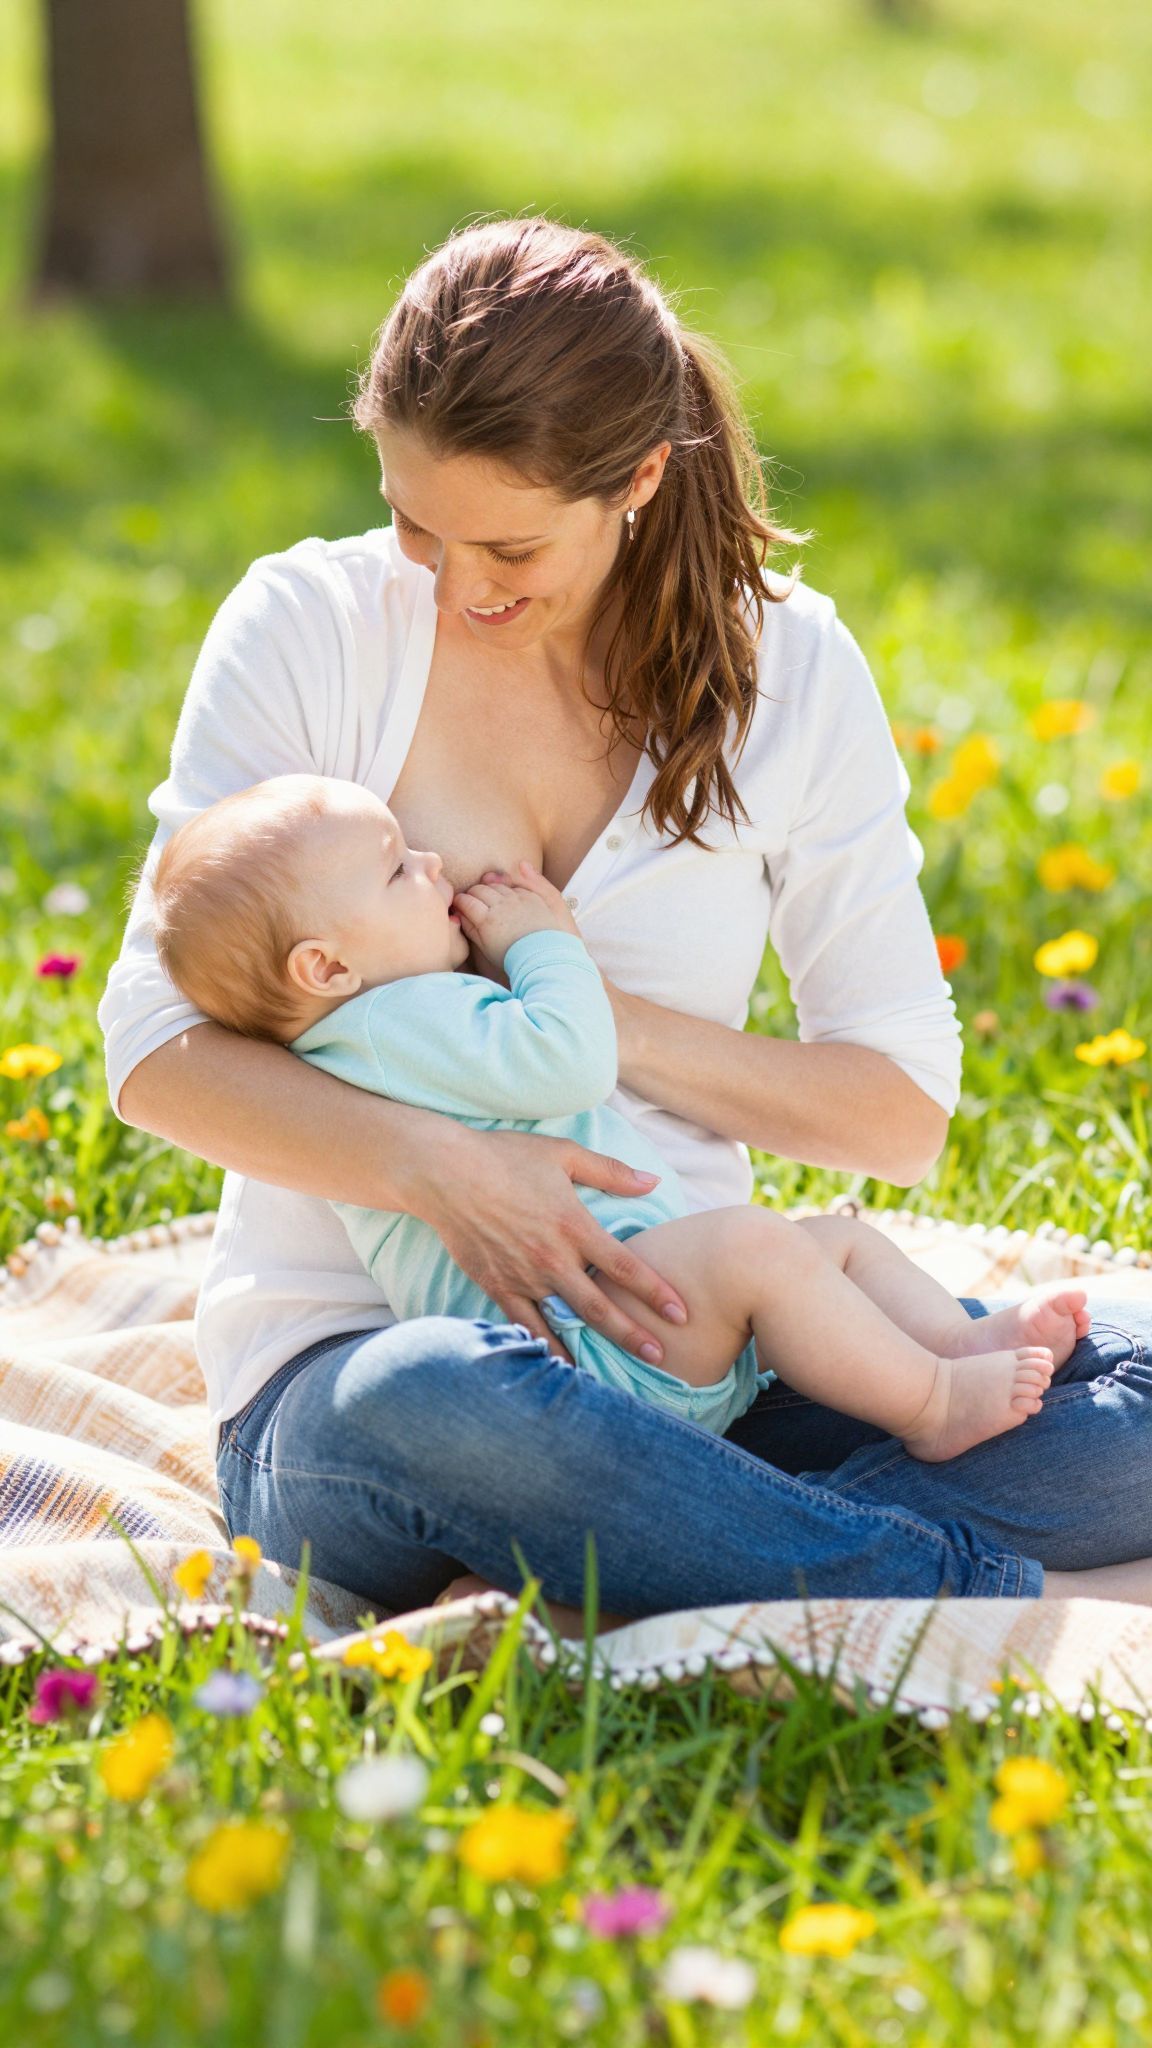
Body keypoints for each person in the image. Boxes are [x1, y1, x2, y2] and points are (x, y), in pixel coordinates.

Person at [99, 217, 1152, 1622]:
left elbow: (898, 1114)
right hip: (370, 1375)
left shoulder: (789, 668)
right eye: (415, 522)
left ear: (642, 476)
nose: (453, 584)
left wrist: (589, 1015)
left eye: (509, 544)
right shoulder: (311, 625)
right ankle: (952, 1587)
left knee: (1133, 1402)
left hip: (700, 1344)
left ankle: (642, 1537)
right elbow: (154, 1046)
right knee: (452, 1403)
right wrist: (444, 1171)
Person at [150, 772, 1081, 1464]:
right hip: (597, 1346)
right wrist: (543, 942)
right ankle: (932, 1407)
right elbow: (570, 1058)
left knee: (828, 1245)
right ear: (325, 968)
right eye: (398, 870)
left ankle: (956, 1344)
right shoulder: (393, 1023)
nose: (430, 863)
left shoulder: (380, 1029)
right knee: (764, 1247)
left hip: (632, 1319)